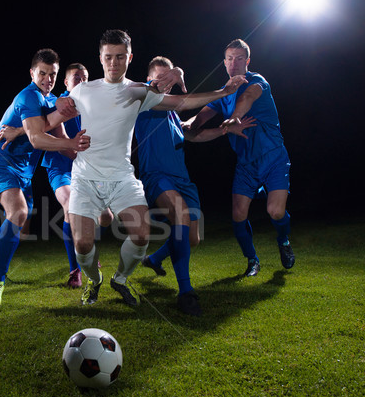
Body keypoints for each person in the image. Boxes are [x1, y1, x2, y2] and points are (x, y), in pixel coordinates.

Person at [52, 29, 248, 308]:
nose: (114, 63)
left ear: (129, 58)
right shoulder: (85, 89)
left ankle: (120, 279)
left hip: (124, 177)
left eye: (120, 57)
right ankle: (95, 281)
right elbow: (51, 115)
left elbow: (181, 102)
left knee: (150, 235)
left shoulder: (139, 93)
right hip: (89, 177)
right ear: (100, 57)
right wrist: (56, 101)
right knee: (83, 243)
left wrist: (223, 91)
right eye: (108, 57)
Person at [135, 56, 256, 316]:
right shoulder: (143, 97)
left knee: (193, 238)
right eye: (159, 78)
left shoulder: (172, 116)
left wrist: (224, 131)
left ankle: (154, 259)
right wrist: (180, 72)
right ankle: (186, 293)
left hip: (183, 179)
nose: (165, 82)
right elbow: (173, 96)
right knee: (178, 215)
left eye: (169, 78)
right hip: (157, 175)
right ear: (149, 79)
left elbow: (193, 134)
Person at [0, 48, 90, 306]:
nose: (47, 79)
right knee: (18, 213)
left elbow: (55, 129)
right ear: (32, 73)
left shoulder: (50, 99)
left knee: (20, 225)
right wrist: (73, 143)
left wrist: (80, 152)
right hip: (1, 163)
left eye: (52, 74)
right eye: (42, 73)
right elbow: (38, 137)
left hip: (25, 172)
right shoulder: (28, 96)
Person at [186, 39, 295, 277]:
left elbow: (247, 99)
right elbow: (196, 121)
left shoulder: (258, 82)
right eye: (229, 58)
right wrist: (175, 123)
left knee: (275, 212)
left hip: (273, 157)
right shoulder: (222, 94)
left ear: (247, 61)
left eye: (238, 58)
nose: (233, 63)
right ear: (224, 63)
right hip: (246, 164)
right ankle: (252, 260)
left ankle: (284, 241)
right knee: (238, 215)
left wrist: (235, 118)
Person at [0, 63, 114, 289]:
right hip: (61, 167)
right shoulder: (61, 102)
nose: (82, 82)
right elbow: (44, 125)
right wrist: (19, 131)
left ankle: (85, 247)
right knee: (71, 207)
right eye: (76, 78)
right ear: (66, 82)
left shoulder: (92, 105)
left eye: (85, 78)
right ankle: (75, 269)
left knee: (106, 218)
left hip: (85, 168)